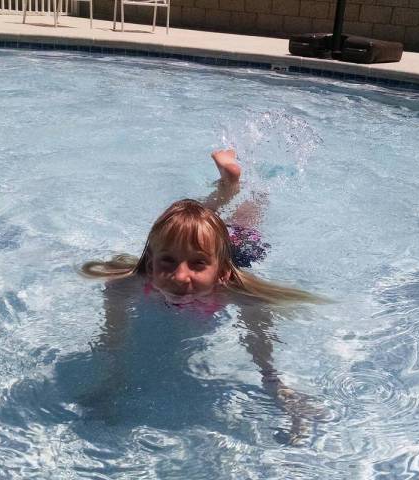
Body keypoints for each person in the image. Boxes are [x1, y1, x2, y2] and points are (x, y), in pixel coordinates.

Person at [82, 148, 326, 443]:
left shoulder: (238, 292)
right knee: (189, 227)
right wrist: (109, 383)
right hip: (204, 245)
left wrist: (275, 384)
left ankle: (256, 190)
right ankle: (227, 186)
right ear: (150, 262)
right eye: (167, 262)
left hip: (237, 249)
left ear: (222, 273)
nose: (179, 277)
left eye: (196, 265)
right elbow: (112, 338)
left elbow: (258, 341)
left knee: (243, 226)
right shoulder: (125, 284)